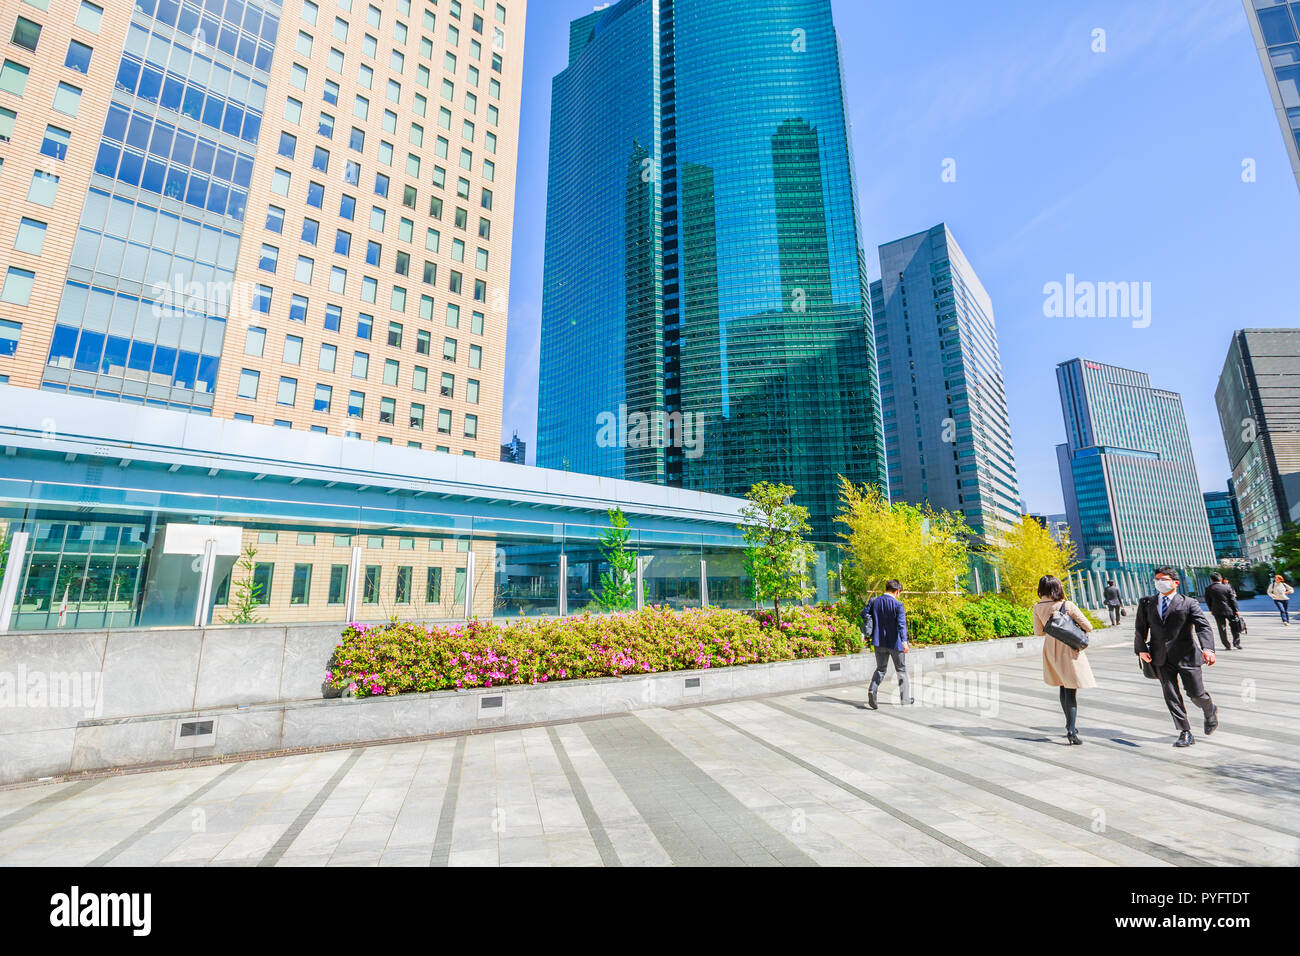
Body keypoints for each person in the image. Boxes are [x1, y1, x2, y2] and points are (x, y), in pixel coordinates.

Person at [1135, 567, 1218, 748]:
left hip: (1187, 655)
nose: (1159, 582)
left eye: (1163, 579)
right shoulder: (1147, 603)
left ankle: (1209, 710)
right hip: (1160, 657)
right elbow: (1140, 629)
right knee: (1171, 695)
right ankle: (1185, 732)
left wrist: (1208, 649)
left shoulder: (1189, 603)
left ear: (1175, 582)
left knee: (1196, 694)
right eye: (1156, 579)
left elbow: (1203, 627)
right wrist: (1141, 649)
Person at [1033, 575, 1095, 745]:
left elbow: (1038, 632)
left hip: (1051, 648)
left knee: (1063, 686)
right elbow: (1088, 626)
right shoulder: (1066, 605)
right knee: (1071, 690)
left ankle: (1069, 724)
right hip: (1068, 647)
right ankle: (1071, 730)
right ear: (1057, 587)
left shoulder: (1037, 607)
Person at [862, 579, 912, 710]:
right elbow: (901, 625)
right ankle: (905, 699)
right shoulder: (898, 605)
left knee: (880, 669)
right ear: (896, 591)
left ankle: (872, 690)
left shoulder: (874, 601)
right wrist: (904, 642)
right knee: (901, 670)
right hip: (895, 643)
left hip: (879, 642)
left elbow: (864, 614)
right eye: (899, 593)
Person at [1204, 572, 1241, 650]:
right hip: (1230, 610)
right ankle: (1236, 643)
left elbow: (1208, 600)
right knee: (1234, 626)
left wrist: (1211, 609)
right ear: (1221, 579)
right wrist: (1236, 610)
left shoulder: (1208, 588)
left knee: (1221, 628)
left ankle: (1227, 645)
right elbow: (1232, 599)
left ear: (1211, 580)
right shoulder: (1227, 587)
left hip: (1217, 611)